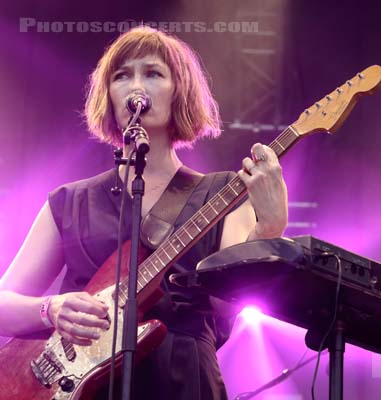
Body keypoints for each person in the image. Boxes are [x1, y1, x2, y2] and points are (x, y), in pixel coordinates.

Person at [0, 26, 288, 399]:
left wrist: (270, 227)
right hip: (78, 384)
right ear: (109, 95)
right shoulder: (68, 201)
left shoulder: (222, 193)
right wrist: (50, 308)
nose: (136, 85)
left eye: (152, 73)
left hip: (180, 378)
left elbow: (227, 302)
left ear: (178, 92)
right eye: (122, 75)